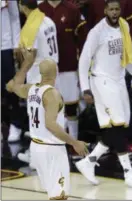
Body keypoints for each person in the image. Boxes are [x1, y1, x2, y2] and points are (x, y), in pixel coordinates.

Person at [77, 0, 132, 188]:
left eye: (117, 9)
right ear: (105, 10)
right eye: (111, 9)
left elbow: (128, 59)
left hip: (118, 80)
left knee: (119, 127)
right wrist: (85, 88)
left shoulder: (123, 26)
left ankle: (88, 161)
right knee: (116, 124)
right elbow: (84, 61)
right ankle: (128, 172)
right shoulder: (97, 32)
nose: (115, 12)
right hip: (101, 81)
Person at [6, 48, 88, 200]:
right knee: (59, 196)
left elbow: (12, 86)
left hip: (36, 148)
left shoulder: (31, 89)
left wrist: (26, 64)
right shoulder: (52, 94)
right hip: (52, 150)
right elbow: (51, 125)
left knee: (53, 195)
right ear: (56, 72)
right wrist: (74, 142)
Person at [16, 0, 60, 166]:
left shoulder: (31, 26)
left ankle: (36, 159)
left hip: (38, 77)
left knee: (36, 120)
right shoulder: (48, 20)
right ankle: (51, 155)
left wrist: (19, 77)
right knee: (50, 118)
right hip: (53, 73)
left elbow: (30, 56)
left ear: (23, 6)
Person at [39, 0, 88, 143]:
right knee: (48, 108)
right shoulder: (39, 10)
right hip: (46, 70)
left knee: (71, 107)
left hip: (68, 66)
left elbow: (82, 40)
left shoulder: (72, 9)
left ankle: (74, 142)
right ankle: (49, 141)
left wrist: (82, 66)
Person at [1, 0, 22, 143]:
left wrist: (16, 44)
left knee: (11, 87)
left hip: (6, 46)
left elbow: (15, 17)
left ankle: (16, 124)